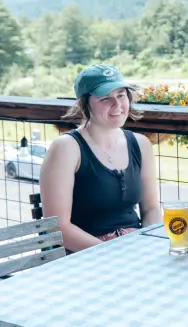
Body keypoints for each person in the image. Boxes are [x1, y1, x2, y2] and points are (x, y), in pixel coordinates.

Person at [40, 64, 161, 253]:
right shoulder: (66, 148)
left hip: (133, 247)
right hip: (83, 255)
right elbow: (57, 227)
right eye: (106, 98)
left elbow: (152, 209)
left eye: (121, 95)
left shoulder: (141, 144)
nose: (118, 105)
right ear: (85, 105)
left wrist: (150, 243)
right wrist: (111, 253)